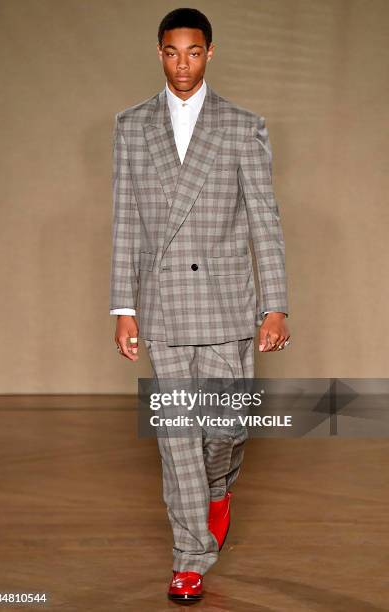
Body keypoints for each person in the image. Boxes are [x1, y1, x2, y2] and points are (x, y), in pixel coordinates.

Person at [109, 7, 291, 603]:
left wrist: (276, 303)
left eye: (192, 51)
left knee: (225, 427)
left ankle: (220, 490)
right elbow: (125, 222)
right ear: (158, 52)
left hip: (227, 301)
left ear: (210, 52)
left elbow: (264, 217)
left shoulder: (243, 125)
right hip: (162, 304)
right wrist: (122, 307)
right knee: (178, 435)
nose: (181, 63)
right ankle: (189, 556)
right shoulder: (132, 125)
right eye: (170, 51)